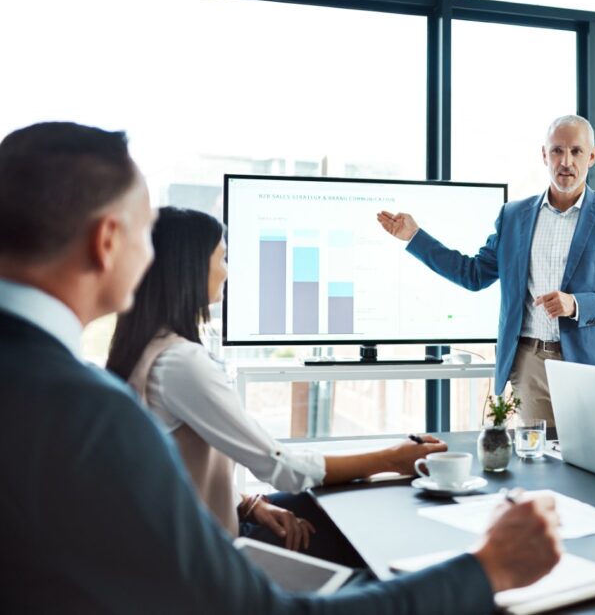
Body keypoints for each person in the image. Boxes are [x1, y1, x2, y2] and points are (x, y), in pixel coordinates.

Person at [0, 121, 561, 613]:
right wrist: (487, 569)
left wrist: (244, 502)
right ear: (106, 242)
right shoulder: (93, 409)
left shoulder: (63, 388)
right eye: (144, 232)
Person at [105, 206, 447, 562]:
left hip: (184, 532)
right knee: (369, 529)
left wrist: (247, 504)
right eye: (222, 258)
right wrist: (393, 458)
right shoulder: (180, 364)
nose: (226, 271)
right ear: (189, 268)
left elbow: (171, 470)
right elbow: (284, 469)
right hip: (200, 557)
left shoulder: (146, 349)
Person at [377, 115, 595, 427]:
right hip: (530, 363)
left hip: (591, 364)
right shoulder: (513, 216)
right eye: (557, 151)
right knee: (542, 467)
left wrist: (577, 304)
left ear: (592, 156)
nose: (566, 161)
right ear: (544, 155)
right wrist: (415, 237)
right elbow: (474, 274)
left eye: (576, 151)